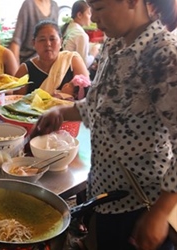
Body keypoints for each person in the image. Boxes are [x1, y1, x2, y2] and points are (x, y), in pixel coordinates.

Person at [32, 0, 177, 249]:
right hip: (104, 193)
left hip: (142, 205)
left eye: (99, 8)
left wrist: (161, 213)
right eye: (91, 9)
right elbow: (101, 106)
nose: (95, 19)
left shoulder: (162, 54)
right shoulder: (113, 43)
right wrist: (61, 112)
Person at [14, 20, 90, 99]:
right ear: (34, 43)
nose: (48, 44)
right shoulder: (25, 69)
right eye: (42, 40)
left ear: (61, 42)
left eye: (52, 39)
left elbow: (86, 97)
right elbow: (17, 102)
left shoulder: (72, 61)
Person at [61, 0, 100, 68]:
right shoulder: (81, 35)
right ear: (79, 15)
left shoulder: (69, 27)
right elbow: (83, 65)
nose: (92, 17)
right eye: (89, 13)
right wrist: (93, 53)